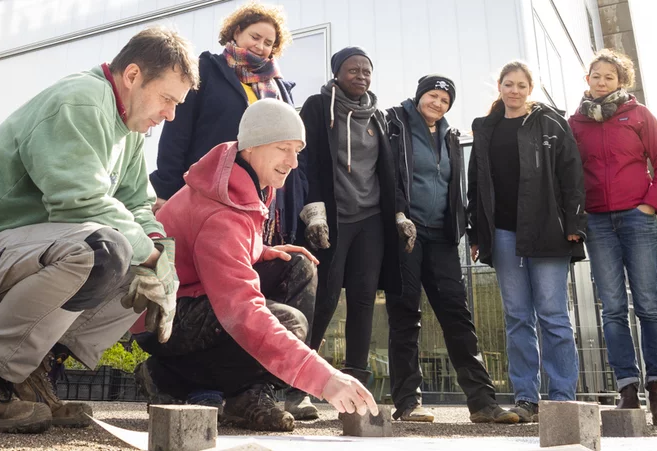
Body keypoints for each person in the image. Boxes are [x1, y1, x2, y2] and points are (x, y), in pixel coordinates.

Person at [0, 26, 198, 433]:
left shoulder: (128, 127)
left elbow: (137, 204)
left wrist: (161, 259)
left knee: (140, 265)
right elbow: (78, 202)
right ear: (132, 76)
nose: (171, 114)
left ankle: (26, 373)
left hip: (24, 256)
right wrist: (151, 255)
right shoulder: (78, 100)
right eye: (168, 98)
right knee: (103, 249)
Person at [133, 99, 379, 432]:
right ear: (253, 146)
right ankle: (168, 377)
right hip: (162, 320)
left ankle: (248, 395)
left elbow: (213, 252)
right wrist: (324, 378)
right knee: (287, 323)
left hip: (191, 299)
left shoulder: (245, 180)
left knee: (298, 266)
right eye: (284, 149)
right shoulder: (221, 208)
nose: (293, 162)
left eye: (297, 150)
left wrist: (260, 250)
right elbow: (242, 310)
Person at [385, 75, 518, 424]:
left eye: (445, 100)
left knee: (457, 315)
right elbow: (386, 175)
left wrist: (468, 229)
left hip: (442, 236)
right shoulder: (394, 123)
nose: (438, 103)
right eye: (432, 95)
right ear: (419, 97)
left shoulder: (451, 136)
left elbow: (457, 187)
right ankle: (407, 402)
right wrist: (397, 214)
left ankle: (482, 402)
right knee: (405, 316)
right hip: (405, 233)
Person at [467, 61, 585, 423]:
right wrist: (477, 233)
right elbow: (476, 184)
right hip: (503, 234)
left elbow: (572, 174)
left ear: (529, 89)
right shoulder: (486, 128)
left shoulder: (551, 123)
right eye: (508, 84)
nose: (514, 90)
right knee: (518, 317)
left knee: (553, 315)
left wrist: (575, 223)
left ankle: (563, 397)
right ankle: (526, 399)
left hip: (549, 230)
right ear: (499, 87)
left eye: (521, 85)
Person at [568, 49, 657, 426]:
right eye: (596, 76)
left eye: (609, 77)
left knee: (649, 304)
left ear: (621, 82)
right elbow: (567, 174)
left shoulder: (639, 115)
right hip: (598, 223)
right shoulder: (574, 123)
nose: (601, 82)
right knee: (612, 307)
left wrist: (650, 204)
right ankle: (628, 390)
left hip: (638, 218)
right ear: (588, 80)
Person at [150, 2, 305, 248]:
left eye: (269, 43)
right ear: (236, 32)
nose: (261, 47)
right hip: (210, 192)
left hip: (266, 199)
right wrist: (167, 190)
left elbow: (293, 147)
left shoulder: (280, 89)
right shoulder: (206, 70)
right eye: (255, 37)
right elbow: (176, 134)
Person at [298, 47, 409, 391]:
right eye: (352, 70)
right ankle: (297, 383)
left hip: (371, 217)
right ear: (336, 74)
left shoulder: (379, 116)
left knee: (363, 297)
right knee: (326, 297)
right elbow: (305, 162)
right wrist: (313, 211)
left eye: (366, 71)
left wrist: (400, 213)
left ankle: (357, 385)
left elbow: (389, 171)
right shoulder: (317, 108)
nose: (361, 76)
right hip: (333, 216)